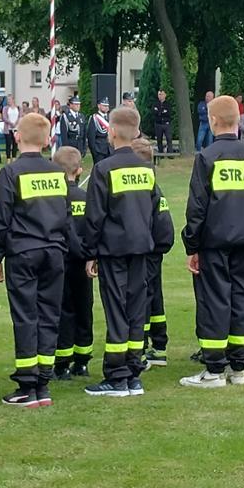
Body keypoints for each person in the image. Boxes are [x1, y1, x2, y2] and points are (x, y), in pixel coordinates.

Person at [179, 96, 244, 388]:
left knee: (215, 301)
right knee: (242, 300)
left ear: (213, 120)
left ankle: (214, 369)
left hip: (214, 243)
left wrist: (192, 246)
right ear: (239, 120)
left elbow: (197, 208)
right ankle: (238, 368)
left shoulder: (207, 157)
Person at [79, 107, 167, 398]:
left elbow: (95, 217)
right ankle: (133, 373)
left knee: (116, 310)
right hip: (142, 248)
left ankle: (117, 376)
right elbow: (155, 210)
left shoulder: (103, 169)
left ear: (111, 132)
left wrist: (89, 253)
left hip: (113, 250)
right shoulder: (146, 169)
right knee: (135, 310)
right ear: (138, 132)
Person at [0, 113, 69, 409]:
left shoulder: (11, 173)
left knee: (25, 315)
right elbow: (66, 213)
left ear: (17, 137)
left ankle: (26, 384)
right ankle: (43, 382)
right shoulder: (57, 173)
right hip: (54, 251)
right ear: (48, 140)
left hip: (23, 251)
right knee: (49, 315)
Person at [51, 146, 93, 381]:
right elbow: (93, 228)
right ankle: (83, 360)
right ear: (79, 170)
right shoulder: (87, 198)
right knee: (84, 308)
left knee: (63, 310)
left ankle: (62, 362)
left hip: (62, 260)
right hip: (84, 262)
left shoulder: (56, 198)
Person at [132, 137, 175, 367]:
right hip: (155, 252)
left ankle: (142, 345)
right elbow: (166, 225)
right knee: (156, 299)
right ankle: (159, 346)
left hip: (145, 252)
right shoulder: (156, 187)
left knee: (144, 300)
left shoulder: (146, 190)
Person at [148, 90, 174, 155]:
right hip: (158, 124)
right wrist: (162, 112)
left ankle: (170, 153)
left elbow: (168, 113)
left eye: (162, 94)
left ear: (165, 95)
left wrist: (159, 112)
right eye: (159, 94)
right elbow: (154, 112)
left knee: (169, 138)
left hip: (166, 124)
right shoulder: (155, 104)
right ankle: (160, 153)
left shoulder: (168, 104)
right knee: (159, 139)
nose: (160, 96)